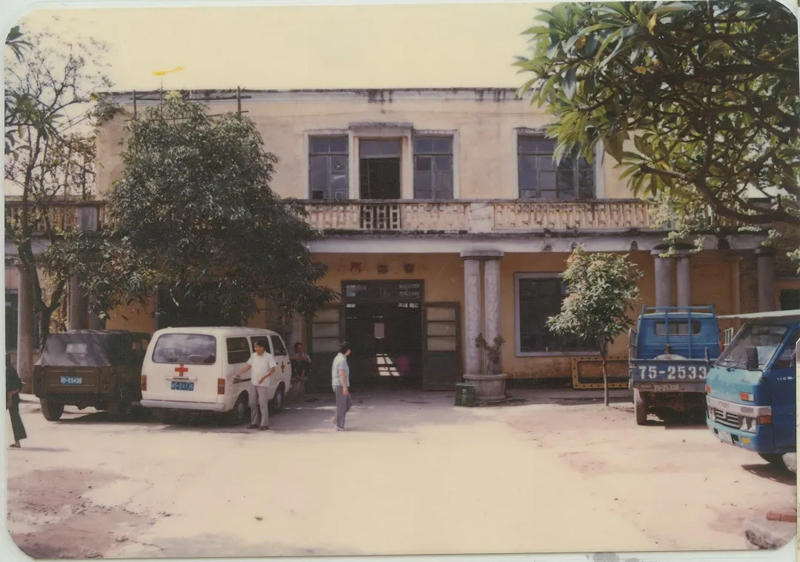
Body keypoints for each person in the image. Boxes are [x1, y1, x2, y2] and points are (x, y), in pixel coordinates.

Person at [234, 339, 276, 431]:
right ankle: (254, 422)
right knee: (252, 403)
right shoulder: (253, 356)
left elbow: (272, 369)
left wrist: (263, 377)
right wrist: (239, 373)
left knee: (262, 404)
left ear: (262, 347)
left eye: (256, 347)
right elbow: (248, 366)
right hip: (254, 382)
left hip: (263, 383)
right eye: (255, 347)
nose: (255, 348)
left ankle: (264, 424)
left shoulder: (268, 357)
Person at [6, 354, 27, 448]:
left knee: (15, 418)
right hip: (14, 397)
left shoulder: (7, 370)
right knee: (15, 419)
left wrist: (9, 395)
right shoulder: (12, 369)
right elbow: (19, 384)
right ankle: (17, 442)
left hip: (9, 397)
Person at [331, 342, 352, 431]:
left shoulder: (338, 357)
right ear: (347, 350)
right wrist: (345, 387)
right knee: (342, 405)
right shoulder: (342, 360)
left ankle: (336, 417)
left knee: (348, 403)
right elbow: (342, 374)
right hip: (340, 384)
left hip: (339, 384)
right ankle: (339, 425)